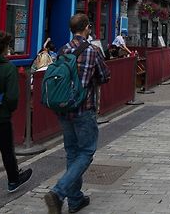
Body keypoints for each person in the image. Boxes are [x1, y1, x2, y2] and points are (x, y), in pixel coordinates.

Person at [44, 13, 111, 214]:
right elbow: (105, 76)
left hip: (64, 108)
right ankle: (58, 191)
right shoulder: (93, 50)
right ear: (87, 28)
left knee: (72, 152)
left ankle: (75, 200)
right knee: (86, 152)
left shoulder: (63, 49)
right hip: (84, 108)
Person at [0, 31, 33, 193]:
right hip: (0, 117)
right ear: (4, 48)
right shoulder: (8, 67)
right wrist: (6, 110)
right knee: (7, 151)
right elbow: (12, 98)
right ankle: (13, 180)